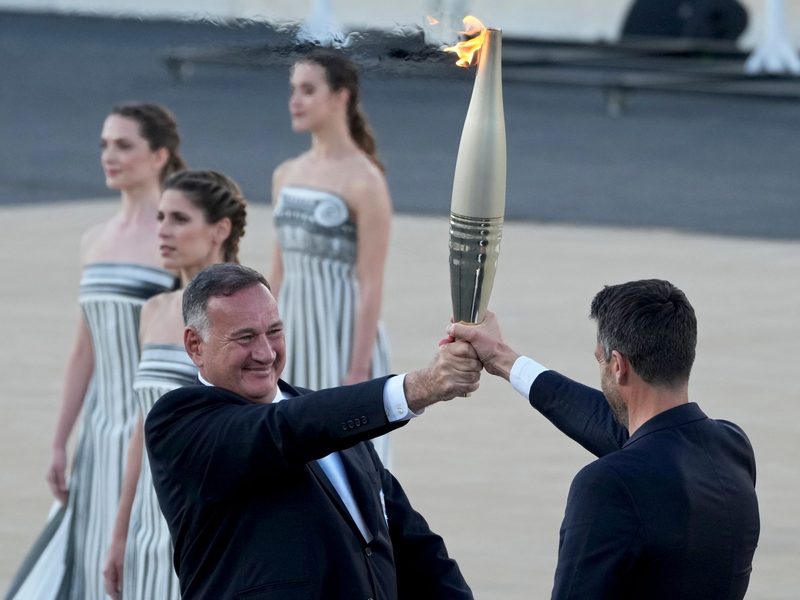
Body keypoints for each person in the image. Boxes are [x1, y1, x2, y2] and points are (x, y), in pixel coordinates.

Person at [145, 263, 479, 599]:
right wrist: (417, 387)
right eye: (245, 337)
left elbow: (413, 545)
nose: (265, 352)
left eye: (274, 332)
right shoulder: (178, 424)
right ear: (195, 345)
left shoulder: (332, 417)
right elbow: (282, 430)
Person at [448, 280, 760, 600]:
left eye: (600, 360)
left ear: (618, 366)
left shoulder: (607, 485)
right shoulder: (732, 448)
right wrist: (502, 357)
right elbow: (617, 427)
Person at [4, 103, 185, 600]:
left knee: (136, 560)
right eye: (105, 145)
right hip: (97, 435)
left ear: (159, 155)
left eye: (124, 145)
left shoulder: (173, 240)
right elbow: (84, 350)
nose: (109, 156)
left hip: (147, 430)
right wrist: (61, 440)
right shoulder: (93, 240)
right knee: (86, 558)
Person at [102, 171, 248, 600]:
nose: (161, 230)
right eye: (161, 216)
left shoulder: (245, 310)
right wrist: (121, 531)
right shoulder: (153, 310)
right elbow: (141, 428)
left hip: (207, 519)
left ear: (220, 229)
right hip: (149, 520)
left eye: (179, 219)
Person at [270, 48, 394, 467]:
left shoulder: (365, 180)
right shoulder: (285, 174)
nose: (295, 101)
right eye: (293, 90)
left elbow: (371, 280)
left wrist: (357, 372)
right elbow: (278, 268)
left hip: (341, 332)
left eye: (308, 90)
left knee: (345, 461)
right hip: (290, 328)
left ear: (341, 96)